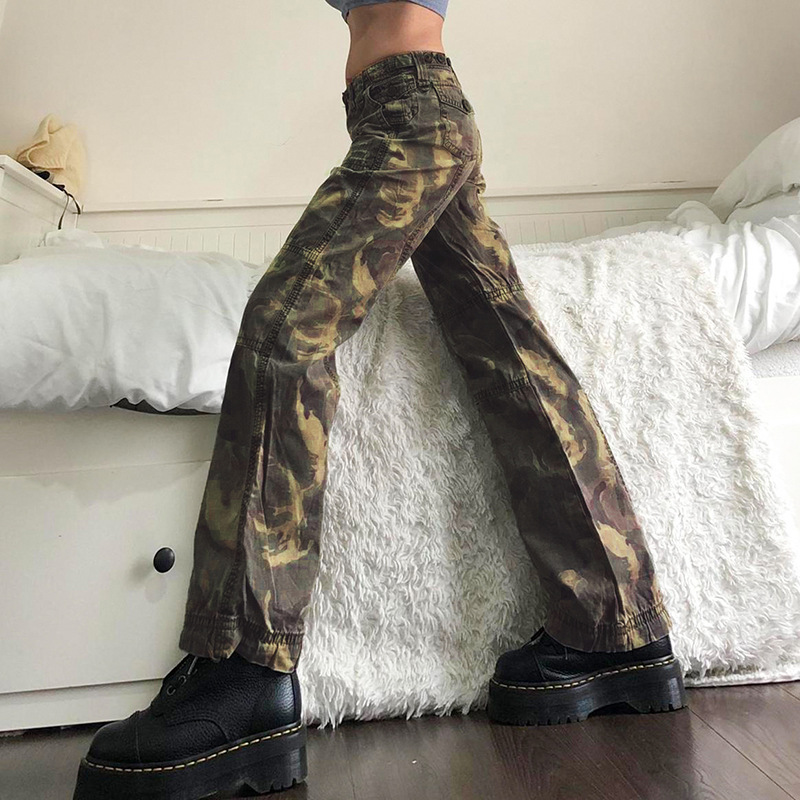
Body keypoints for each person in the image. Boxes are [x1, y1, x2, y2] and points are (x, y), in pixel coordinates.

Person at [73, 2, 686, 798]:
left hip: (411, 114)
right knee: (510, 353)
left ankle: (242, 670)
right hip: (413, 109)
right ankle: (616, 628)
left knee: (284, 328)